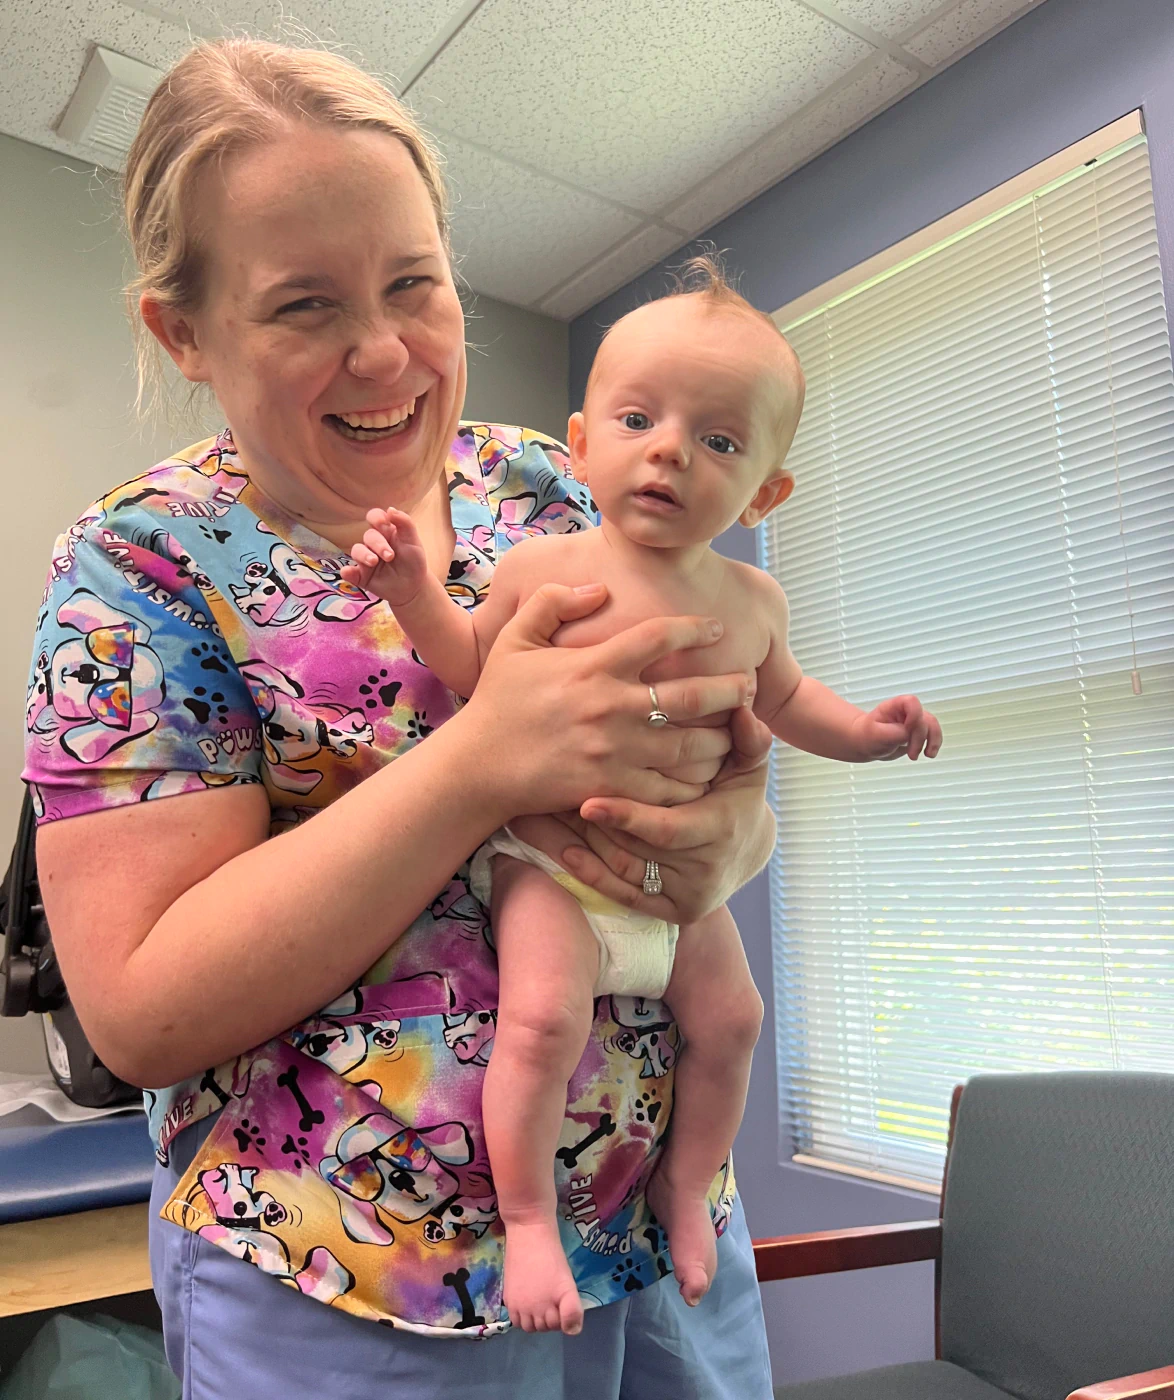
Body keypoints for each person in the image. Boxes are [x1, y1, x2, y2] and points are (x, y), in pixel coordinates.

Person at [22, 37, 784, 1400]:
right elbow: (138, 1011)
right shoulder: (137, 569)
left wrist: (729, 835)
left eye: (413, 284)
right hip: (362, 1286)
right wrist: (481, 766)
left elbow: (723, 758)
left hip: (659, 1239)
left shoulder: (559, 486)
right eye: (304, 304)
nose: (383, 351)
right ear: (183, 333)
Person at [343, 266, 943, 1335]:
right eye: (637, 418)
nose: (668, 449)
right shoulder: (538, 568)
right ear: (581, 443)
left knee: (734, 1017)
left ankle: (687, 1184)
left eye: (719, 441)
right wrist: (410, 592)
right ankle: (528, 1218)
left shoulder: (754, 600)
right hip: (555, 872)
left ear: (763, 492)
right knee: (538, 1018)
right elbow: (466, 671)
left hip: (677, 899)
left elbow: (792, 704)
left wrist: (871, 732)